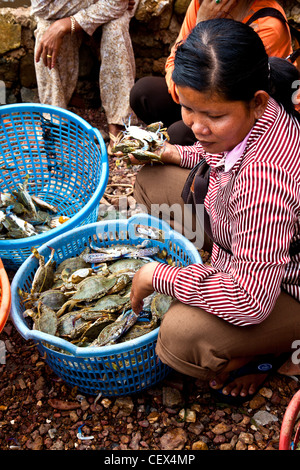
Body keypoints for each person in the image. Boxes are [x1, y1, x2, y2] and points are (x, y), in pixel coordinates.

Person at [129, 18, 300, 403]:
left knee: (180, 339)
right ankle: (218, 275)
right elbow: (220, 152)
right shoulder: (258, 111)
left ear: (255, 101)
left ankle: (271, 352)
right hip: (242, 235)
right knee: (151, 180)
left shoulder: (265, 182)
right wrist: (176, 152)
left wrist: (160, 275)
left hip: (285, 284)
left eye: (214, 116)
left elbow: (249, 300)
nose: (197, 126)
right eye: (189, 109)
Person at [130, 0, 293, 145]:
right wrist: (201, 24)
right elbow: (175, 62)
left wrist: (194, 104)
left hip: (236, 112)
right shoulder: (201, 5)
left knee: (179, 133)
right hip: (195, 91)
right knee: (144, 92)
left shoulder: (267, 24)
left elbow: (228, 95)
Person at [31, 0, 139, 149]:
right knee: (46, 30)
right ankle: (54, 119)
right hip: (73, 8)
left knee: (116, 27)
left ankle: (119, 124)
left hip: (103, 9)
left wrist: (70, 23)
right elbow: (42, 9)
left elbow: (116, 5)